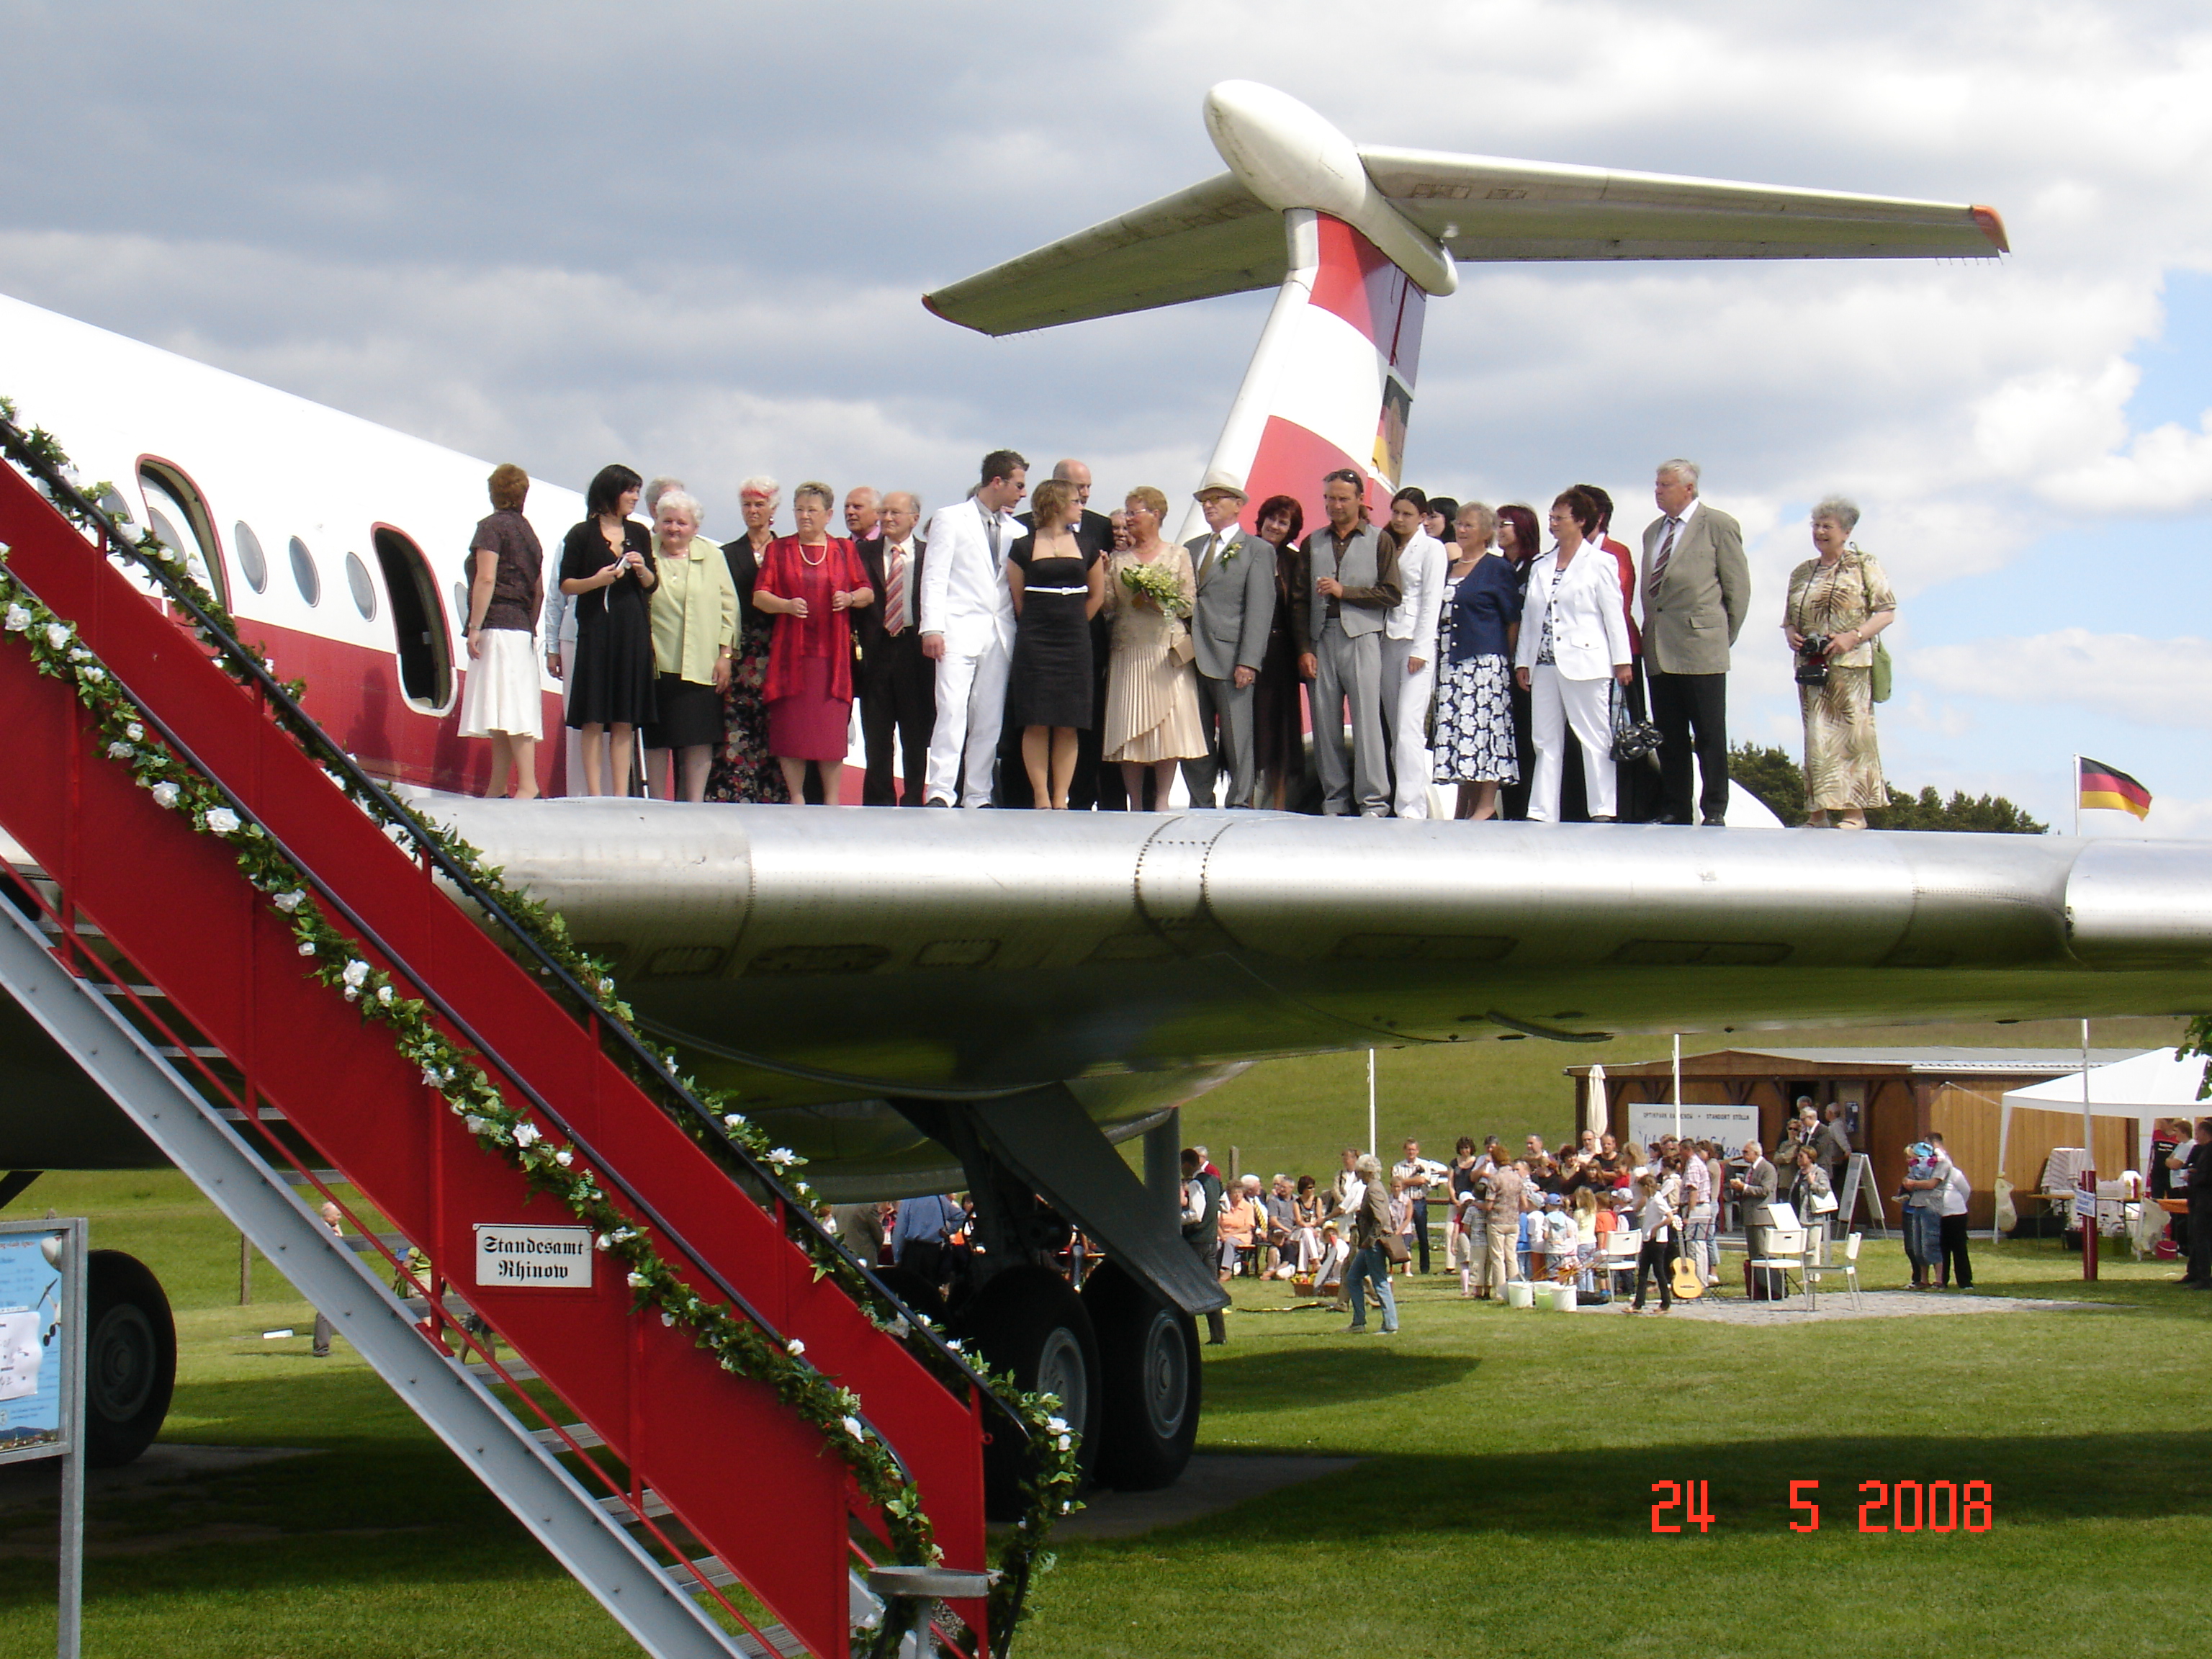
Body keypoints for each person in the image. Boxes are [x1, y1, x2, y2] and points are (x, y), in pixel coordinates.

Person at [1640, 459, 1749, 826]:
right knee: (1669, 736)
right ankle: (1675, 807)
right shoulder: (1653, 531)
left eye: (1665, 485)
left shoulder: (1717, 525)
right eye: (1656, 484)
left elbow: (1737, 589)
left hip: (1701, 646)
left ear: (1688, 488)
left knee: (1709, 734)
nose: (1658, 491)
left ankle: (1715, 808)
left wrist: (1719, 636)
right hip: (1659, 646)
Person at [1516, 490, 1632, 822]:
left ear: (1581, 521)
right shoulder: (1542, 565)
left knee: (1593, 736)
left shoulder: (1600, 562)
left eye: (1559, 518)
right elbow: (1531, 617)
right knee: (1545, 738)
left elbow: (1614, 614)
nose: (1552, 524)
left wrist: (1622, 661)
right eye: (1550, 518)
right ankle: (1541, 810)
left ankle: (1603, 809)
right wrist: (1524, 660)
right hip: (1545, 663)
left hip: (1586, 660)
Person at [750, 482, 871, 804]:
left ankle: (832, 800)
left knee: (829, 732)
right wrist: (786, 605)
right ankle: (797, 797)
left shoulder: (845, 550)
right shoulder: (780, 550)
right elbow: (760, 596)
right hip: (792, 655)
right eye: (799, 509)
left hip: (832, 656)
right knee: (792, 730)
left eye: (812, 510)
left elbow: (867, 592)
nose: (804, 516)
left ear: (828, 515)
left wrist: (849, 598)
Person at [920, 450, 1027, 808]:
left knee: (989, 715)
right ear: (997, 481)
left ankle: (978, 792)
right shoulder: (951, 518)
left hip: (999, 631)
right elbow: (934, 575)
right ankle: (940, 789)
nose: (1022, 494)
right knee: (951, 708)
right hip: (956, 627)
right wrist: (931, 627)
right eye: (1018, 485)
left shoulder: (1017, 530)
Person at [1294, 469, 1403, 816]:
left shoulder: (1379, 540)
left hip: (1363, 638)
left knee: (1367, 723)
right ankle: (1334, 800)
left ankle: (1374, 801)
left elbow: (1392, 593)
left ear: (1360, 500)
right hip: (1321, 637)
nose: (1335, 505)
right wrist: (1304, 649)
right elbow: (1298, 600)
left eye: (1342, 498)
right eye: (1329, 498)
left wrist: (1347, 593)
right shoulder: (1314, 542)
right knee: (1324, 724)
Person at [1784, 495, 1897, 829]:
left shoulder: (1864, 565)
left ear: (1846, 531)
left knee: (1852, 736)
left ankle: (1854, 812)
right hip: (1812, 666)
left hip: (1850, 665)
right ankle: (1817, 813)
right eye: (1816, 525)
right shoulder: (1803, 571)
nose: (1819, 532)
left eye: (1827, 526)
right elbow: (1789, 618)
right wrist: (1791, 633)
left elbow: (1886, 612)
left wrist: (1853, 636)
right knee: (1816, 737)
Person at [1005, 477, 1106, 809]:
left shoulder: (1088, 545)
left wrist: (1075, 623)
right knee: (1035, 719)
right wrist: (1040, 624)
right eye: (1076, 501)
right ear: (1057, 503)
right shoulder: (1023, 546)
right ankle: (1041, 797)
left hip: (1074, 641)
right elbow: (1018, 599)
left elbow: (1097, 595)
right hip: (1035, 639)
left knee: (1069, 721)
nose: (1081, 506)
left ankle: (1061, 798)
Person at [1102, 487, 1207, 805]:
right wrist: (1100, 570)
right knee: (1129, 728)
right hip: (1129, 650)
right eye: (1127, 512)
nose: (1129, 519)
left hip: (1165, 651)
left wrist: (1159, 599)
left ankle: (1161, 799)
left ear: (1156, 515)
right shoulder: (1119, 560)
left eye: (1134, 512)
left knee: (1168, 730)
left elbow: (1188, 604)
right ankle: (1135, 800)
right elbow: (1107, 606)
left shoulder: (1178, 555)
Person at [559, 464, 658, 797]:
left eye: (637, 492)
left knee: (624, 716)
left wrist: (642, 569)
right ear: (611, 492)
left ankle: (620, 793)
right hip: (596, 629)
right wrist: (597, 580)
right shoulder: (581, 534)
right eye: (630, 491)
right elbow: (567, 584)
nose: (634, 498)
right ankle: (594, 792)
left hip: (631, 630)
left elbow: (652, 584)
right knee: (593, 715)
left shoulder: (641, 533)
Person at [1179, 472, 1277, 810]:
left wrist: (1248, 660)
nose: (1209, 505)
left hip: (1231, 653)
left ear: (1238, 505)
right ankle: (1200, 799)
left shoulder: (1257, 551)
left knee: (1238, 736)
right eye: (1205, 499)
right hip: (1191, 655)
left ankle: (1240, 799)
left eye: (1217, 498)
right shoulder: (1191, 549)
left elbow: (1260, 609)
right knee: (1194, 735)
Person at [457, 462, 545, 799]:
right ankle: (497, 787)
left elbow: (486, 577)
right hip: (521, 627)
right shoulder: (529, 535)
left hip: (498, 624)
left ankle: (527, 784)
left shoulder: (491, 528)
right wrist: (530, 625)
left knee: (509, 707)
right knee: (504, 709)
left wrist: (475, 626)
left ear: (494, 493)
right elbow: (537, 590)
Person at [642, 491, 737, 802]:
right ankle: (656, 802)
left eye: (682, 523)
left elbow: (730, 608)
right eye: (667, 521)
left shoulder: (713, 556)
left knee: (697, 738)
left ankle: (694, 803)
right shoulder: (644, 552)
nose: (674, 528)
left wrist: (725, 655)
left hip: (700, 661)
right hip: (654, 661)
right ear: (657, 522)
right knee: (656, 738)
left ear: (695, 527)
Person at [1432, 501, 1521, 821]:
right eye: (1459, 523)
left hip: (1484, 663)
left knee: (1486, 730)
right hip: (1452, 663)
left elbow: (1512, 617)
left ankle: (1486, 804)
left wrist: (1504, 658)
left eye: (1470, 525)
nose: (1462, 529)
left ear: (1487, 532)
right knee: (1461, 733)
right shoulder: (1450, 568)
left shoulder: (1496, 567)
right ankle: (1465, 803)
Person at [855, 491, 934, 805]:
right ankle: (879, 801)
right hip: (876, 651)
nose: (887, 518)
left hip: (916, 651)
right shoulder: (863, 552)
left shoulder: (930, 555)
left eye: (895, 513)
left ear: (914, 519)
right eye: (883, 512)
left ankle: (915, 797)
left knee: (915, 736)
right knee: (876, 735)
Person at [707, 476, 781, 804]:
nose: (753, 511)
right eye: (747, 505)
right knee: (736, 725)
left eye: (759, 504)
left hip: (780, 649)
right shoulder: (725, 554)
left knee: (777, 725)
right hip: (741, 651)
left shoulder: (789, 551)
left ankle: (776, 795)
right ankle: (734, 796)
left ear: (772, 509)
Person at [1380, 486, 1448, 819]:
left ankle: (1412, 806)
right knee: (1395, 727)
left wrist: (1422, 647)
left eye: (1407, 514)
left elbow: (1431, 600)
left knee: (1409, 726)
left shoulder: (1432, 549)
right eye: (1395, 513)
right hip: (1386, 639)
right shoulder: (1387, 544)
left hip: (1415, 644)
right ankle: (1405, 796)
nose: (1399, 519)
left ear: (1422, 517)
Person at [1247, 494, 1309, 811]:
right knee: (1249, 728)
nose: (1275, 526)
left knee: (1281, 730)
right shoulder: (1242, 552)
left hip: (1281, 654)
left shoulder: (1295, 562)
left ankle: (1280, 803)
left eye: (1283, 522)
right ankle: (1246, 799)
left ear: (1291, 528)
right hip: (1247, 654)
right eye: (1271, 519)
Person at [1493, 503, 1542, 820]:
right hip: (1496, 660)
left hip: (1528, 662)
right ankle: (1510, 806)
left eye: (1505, 524)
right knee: (1503, 737)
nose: (1499, 530)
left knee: (1528, 736)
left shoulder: (1536, 567)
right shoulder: (1495, 568)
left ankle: (1531, 806)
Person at [1342, 1154, 1401, 1334]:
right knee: (1352, 1278)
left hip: (1375, 1244)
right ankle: (1358, 1322)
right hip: (1369, 1243)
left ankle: (1390, 1325)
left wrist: (1370, 1240)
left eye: (1360, 1172)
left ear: (1368, 1173)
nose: (1358, 1176)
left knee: (1380, 1282)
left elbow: (1381, 1219)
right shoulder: (1373, 1188)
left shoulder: (1374, 1189)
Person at [1180, 1147, 1229, 1342]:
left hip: (1195, 1240)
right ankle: (1219, 1335)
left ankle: (1187, 1335)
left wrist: (1175, 1218)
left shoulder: (1195, 1184)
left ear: (1187, 1164)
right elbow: (1224, 1205)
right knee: (1211, 1287)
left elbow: (1196, 1214)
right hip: (1211, 1240)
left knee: (1185, 1288)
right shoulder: (1215, 1181)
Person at [1899, 1139, 1951, 1290]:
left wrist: (1913, 1184)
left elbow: (1931, 1184)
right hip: (1916, 1205)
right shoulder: (1916, 1168)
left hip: (1931, 1206)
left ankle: (1939, 1280)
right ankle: (1923, 1279)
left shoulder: (1941, 1164)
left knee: (1931, 1243)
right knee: (1918, 1245)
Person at [1629, 1172, 1681, 1313]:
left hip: (1657, 1241)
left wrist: (1656, 1228)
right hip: (1648, 1239)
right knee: (1643, 1272)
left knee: (1659, 1272)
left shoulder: (1658, 1200)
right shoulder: (1650, 1200)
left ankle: (1666, 1303)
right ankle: (1638, 1303)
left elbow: (1670, 1217)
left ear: (1646, 1187)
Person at [1393, 1138, 1444, 1274]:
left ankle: (1425, 1267)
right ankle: (1402, 1265)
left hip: (1419, 1201)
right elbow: (1396, 1184)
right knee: (1401, 1233)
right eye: (1409, 1150)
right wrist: (1411, 1181)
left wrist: (1404, 1182)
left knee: (1422, 1235)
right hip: (1403, 1202)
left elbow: (1422, 1180)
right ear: (1405, 1151)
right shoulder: (1398, 1167)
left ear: (1418, 1151)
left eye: (1414, 1150)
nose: (1411, 1152)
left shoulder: (1425, 1165)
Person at [1930, 1132, 1974, 1289]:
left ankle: (1965, 1281)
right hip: (1938, 1214)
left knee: (1959, 1248)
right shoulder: (1931, 1174)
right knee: (1942, 1248)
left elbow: (1966, 1190)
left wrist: (1958, 1205)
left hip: (1956, 1214)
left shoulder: (1955, 1173)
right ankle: (1943, 1280)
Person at [891, 1192, 961, 1288]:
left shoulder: (909, 1200)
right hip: (933, 1251)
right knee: (930, 1288)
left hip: (913, 1251)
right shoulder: (940, 1200)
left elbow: (900, 1230)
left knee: (910, 1288)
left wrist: (897, 1256)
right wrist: (948, 1230)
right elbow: (960, 1216)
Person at [2174, 1118, 2212, 1287]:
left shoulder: (2210, 1152)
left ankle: (2204, 1277)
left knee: (2202, 1238)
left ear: (2205, 1133)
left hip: (2206, 1201)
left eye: (2198, 1132)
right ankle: (2194, 1271)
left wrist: (2193, 1176)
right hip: (2197, 1199)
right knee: (2194, 1236)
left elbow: (2206, 1177)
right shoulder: (2199, 1150)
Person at [1484, 1151, 1528, 1293]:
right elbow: (1524, 1205)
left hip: (1497, 1221)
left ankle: (1501, 1291)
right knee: (1511, 1256)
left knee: (1498, 1257)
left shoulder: (1495, 1178)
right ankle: (1516, 1289)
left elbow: (1489, 1205)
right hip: (1513, 1222)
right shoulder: (1517, 1178)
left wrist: (1479, 1205)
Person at [311, 1200, 344, 1357]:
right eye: (337, 1214)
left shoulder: (333, 1228)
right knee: (326, 1310)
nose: (340, 1218)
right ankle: (321, 1348)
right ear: (327, 1215)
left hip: (333, 1273)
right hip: (325, 1273)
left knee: (330, 1309)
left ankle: (322, 1346)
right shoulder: (322, 1229)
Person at [830, 1199, 890, 1267]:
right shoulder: (868, 1207)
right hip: (865, 1258)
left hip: (844, 1255)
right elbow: (879, 1236)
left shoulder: (837, 1205)